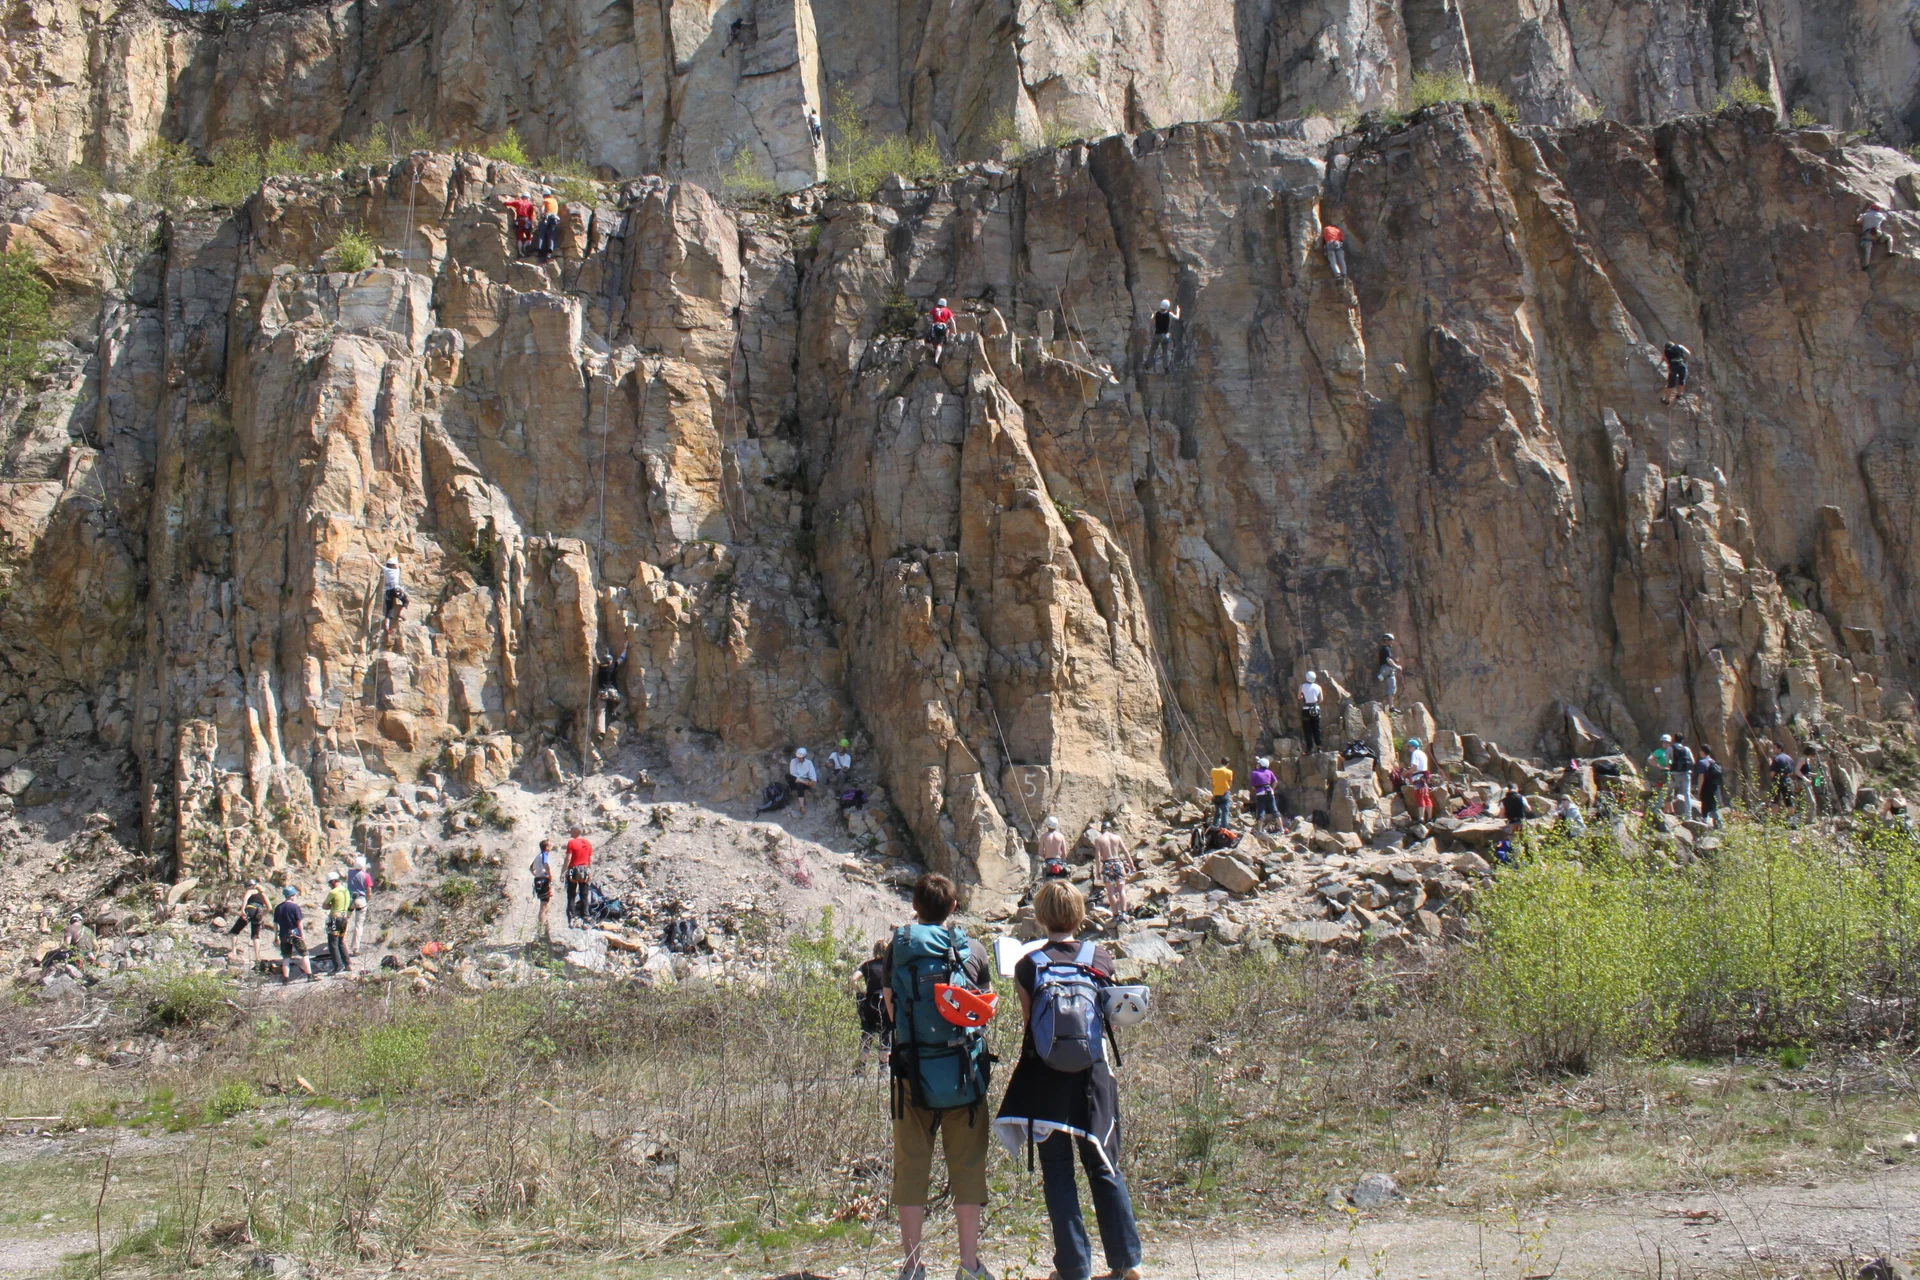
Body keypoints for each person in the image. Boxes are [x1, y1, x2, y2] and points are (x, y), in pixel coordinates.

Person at [993, 880, 1142, 1280]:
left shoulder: (1028, 965)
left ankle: (1073, 1268)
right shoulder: (1102, 959)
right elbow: (1112, 1018)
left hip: (1046, 1080)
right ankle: (1126, 1264)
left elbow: (1030, 1027)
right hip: (1094, 1078)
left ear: (1041, 917)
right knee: (1105, 1165)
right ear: (1079, 914)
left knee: (1057, 1172)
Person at [884, 874, 996, 1280]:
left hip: (912, 1073)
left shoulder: (900, 948)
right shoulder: (973, 949)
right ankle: (968, 1265)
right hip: (964, 1076)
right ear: (953, 908)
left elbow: (892, 1009)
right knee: (967, 1168)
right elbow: (982, 1013)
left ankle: (913, 1267)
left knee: (911, 1166)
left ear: (915, 906)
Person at [853, 939, 891, 1077]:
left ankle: (860, 1069)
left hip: (870, 1004)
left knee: (867, 1034)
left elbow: (853, 979)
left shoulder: (867, 965)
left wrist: (859, 992)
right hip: (886, 1004)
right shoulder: (891, 966)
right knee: (885, 1035)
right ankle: (883, 1069)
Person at [1091, 821, 1134, 921]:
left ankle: (1115, 916)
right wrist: (1131, 864)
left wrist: (1097, 871)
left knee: (1111, 892)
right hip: (1118, 863)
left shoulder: (1098, 839)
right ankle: (1124, 913)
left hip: (1107, 864)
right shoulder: (1117, 837)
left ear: (1102, 829)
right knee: (1121, 889)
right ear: (1110, 829)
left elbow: (1097, 856)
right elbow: (1125, 851)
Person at [274, 886, 315, 983]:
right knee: (304, 954)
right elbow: (299, 922)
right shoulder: (295, 907)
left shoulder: (278, 908)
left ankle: (286, 978)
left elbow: (275, 924)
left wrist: (276, 936)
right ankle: (309, 975)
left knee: (286, 957)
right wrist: (302, 934)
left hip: (283, 934)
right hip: (295, 934)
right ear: (292, 896)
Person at [228, 879, 271, 968]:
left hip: (250, 910)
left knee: (234, 931)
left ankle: (233, 951)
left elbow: (245, 898)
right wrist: (263, 915)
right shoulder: (263, 894)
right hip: (258, 912)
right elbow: (269, 908)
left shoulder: (250, 891)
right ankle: (257, 956)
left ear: (248, 886)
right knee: (255, 935)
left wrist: (243, 909)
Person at [322, 871, 352, 975]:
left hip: (334, 918)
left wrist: (332, 906)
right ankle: (347, 963)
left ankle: (337, 966)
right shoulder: (346, 891)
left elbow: (324, 905)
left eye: (330, 883)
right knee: (341, 941)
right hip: (344, 918)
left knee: (332, 943)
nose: (329, 886)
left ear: (333, 881)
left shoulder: (333, 892)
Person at [564, 826, 594, 925]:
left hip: (573, 870)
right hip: (585, 870)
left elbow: (568, 858)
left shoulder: (571, 842)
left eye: (571, 830)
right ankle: (586, 915)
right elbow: (590, 859)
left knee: (571, 894)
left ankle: (571, 917)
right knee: (584, 894)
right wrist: (590, 871)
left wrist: (564, 871)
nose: (570, 831)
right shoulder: (588, 843)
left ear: (576, 831)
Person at [594, 646, 626, 734]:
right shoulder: (611, 667)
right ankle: (616, 713)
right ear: (609, 662)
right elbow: (621, 658)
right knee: (624, 701)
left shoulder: (600, 668)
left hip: (601, 693)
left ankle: (601, 732)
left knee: (601, 713)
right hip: (610, 691)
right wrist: (625, 648)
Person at [345, 857, 373, 957]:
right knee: (358, 925)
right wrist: (368, 900)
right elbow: (369, 891)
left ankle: (341, 942)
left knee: (345, 920)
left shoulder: (350, 873)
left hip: (350, 900)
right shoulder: (366, 876)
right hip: (361, 900)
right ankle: (355, 948)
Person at [1247, 756, 1281, 833]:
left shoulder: (1254, 773)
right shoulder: (1270, 772)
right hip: (1269, 791)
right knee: (1275, 810)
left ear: (1260, 764)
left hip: (1260, 792)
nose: (1257, 764)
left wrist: (1257, 790)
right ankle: (1281, 828)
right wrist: (1272, 789)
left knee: (1261, 811)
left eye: (1258, 763)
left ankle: (1260, 830)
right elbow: (1275, 781)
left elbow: (1252, 786)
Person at [530, 838, 555, 935]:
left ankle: (544, 926)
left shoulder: (537, 856)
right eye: (550, 845)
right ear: (546, 847)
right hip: (544, 880)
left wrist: (536, 874)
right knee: (544, 905)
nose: (551, 847)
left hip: (538, 880)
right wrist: (549, 875)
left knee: (545, 903)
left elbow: (531, 868)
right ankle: (541, 929)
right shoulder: (545, 855)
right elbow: (546, 865)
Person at [1668, 733, 1696, 821]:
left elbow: (1668, 761)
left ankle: (1661, 807)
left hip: (1675, 774)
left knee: (1666, 790)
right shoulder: (1686, 749)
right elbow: (1693, 761)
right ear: (1682, 741)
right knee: (1687, 794)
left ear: (1673, 739)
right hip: (1686, 774)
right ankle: (1688, 816)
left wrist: (1671, 766)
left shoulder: (1670, 748)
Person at [498, 191, 536, 255]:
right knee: (529, 238)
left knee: (519, 237)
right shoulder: (530, 205)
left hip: (519, 221)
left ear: (522, 197)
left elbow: (506, 203)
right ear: (528, 198)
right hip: (527, 222)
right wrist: (531, 224)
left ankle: (520, 252)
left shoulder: (518, 202)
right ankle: (524, 247)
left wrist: (508, 198)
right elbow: (531, 217)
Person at [1859, 202, 1895, 270]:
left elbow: (1858, 222)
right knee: (1889, 237)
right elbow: (1885, 219)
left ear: (1870, 208)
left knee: (1868, 247)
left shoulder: (1866, 215)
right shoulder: (1880, 215)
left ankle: (1866, 265)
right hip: (1878, 234)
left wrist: (1860, 216)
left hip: (1868, 234)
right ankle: (1889, 251)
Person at [380, 555, 406, 643]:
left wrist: (372, 556)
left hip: (388, 591)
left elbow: (377, 564)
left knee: (389, 610)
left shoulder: (386, 569)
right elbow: (397, 565)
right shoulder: (397, 570)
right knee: (406, 601)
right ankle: (401, 613)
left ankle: (387, 626)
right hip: (396, 589)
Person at [1696, 747, 1724, 829]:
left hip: (1705, 788)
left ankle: (1713, 824)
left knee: (1707, 807)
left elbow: (1701, 777)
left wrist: (1699, 789)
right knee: (1712, 806)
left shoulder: (1702, 762)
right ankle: (1716, 825)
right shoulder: (1713, 762)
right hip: (1714, 787)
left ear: (1702, 752)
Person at [1149, 298, 1179, 371]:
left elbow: (1151, 320)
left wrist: (1153, 315)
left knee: (1152, 350)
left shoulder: (1157, 313)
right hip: (1165, 336)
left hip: (1157, 335)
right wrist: (1178, 311)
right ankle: (1166, 368)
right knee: (1165, 352)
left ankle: (1147, 365)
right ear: (1167, 307)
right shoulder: (1169, 314)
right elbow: (1177, 318)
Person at [1298, 670, 1324, 751]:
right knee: (1317, 728)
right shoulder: (1318, 687)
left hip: (1306, 709)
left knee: (1307, 729)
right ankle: (1319, 747)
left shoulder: (1302, 686)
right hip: (1316, 709)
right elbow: (1321, 699)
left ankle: (1309, 748)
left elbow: (1299, 697)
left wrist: (1303, 696)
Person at [788, 746, 818, 815]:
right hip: (796, 780)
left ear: (804, 757)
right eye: (798, 757)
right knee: (788, 776)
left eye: (800, 758)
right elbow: (793, 773)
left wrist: (813, 781)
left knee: (800, 784)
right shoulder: (793, 761)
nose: (799, 759)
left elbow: (812, 774)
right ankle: (802, 781)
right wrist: (801, 780)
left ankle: (802, 806)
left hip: (805, 782)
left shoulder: (809, 763)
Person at [1375, 633, 1402, 709]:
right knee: (1392, 688)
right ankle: (1391, 707)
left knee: (1391, 688)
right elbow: (1388, 660)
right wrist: (1397, 666)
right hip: (1388, 669)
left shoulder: (1384, 649)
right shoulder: (1386, 649)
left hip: (1384, 669)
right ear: (1386, 641)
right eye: (1391, 641)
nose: (1392, 642)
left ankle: (1390, 706)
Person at [534, 187, 561, 260]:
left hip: (547, 217)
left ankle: (539, 250)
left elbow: (542, 209)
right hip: (555, 218)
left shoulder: (545, 200)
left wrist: (542, 215)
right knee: (551, 235)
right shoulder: (555, 201)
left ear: (544, 195)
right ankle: (550, 251)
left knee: (541, 233)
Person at [1661, 340, 1691, 405]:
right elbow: (1688, 353)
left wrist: (1668, 362)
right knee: (1682, 380)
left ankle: (1666, 400)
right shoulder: (1679, 346)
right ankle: (1679, 394)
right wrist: (1685, 361)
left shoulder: (1666, 351)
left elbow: (1666, 360)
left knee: (1671, 383)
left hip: (1674, 366)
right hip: (1682, 364)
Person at [1647, 735, 1673, 808]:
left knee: (1670, 791)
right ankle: (1659, 806)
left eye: (1667, 742)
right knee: (1663, 789)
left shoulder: (1671, 751)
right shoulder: (1659, 751)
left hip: (1672, 773)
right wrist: (1658, 766)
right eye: (1664, 742)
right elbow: (1650, 759)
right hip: (1664, 773)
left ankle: (1668, 810)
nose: (1666, 744)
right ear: (1662, 742)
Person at [927, 298, 954, 363]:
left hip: (935, 326)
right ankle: (936, 359)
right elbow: (952, 321)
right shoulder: (947, 310)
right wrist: (954, 331)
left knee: (927, 342)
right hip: (943, 327)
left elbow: (929, 316)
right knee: (939, 345)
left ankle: (933, 350)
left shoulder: (934, 309)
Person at [1209, 757, 1234, 828]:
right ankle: (1223, 828)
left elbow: (1211, 783)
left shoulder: (1213, 770)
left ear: (1221, 762)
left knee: (1217, 812)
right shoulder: (1229, 772)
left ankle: (1215, 826)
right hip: (1224, 793)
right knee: (1225, 812)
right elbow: (1230, 784)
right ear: (1228, 764)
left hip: (1216, 793)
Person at [1769, 742, 1795, 807]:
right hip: (1788, 780)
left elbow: (1772, 773)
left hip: (1778, 781)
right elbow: (1792, 772)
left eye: (1774, 748)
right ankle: (1790, 816)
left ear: (1779, 749)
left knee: (1775, 801)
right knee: (1789, 802)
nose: (1773, 750)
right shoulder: (1789, 758)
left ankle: (1774, 816)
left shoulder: (1776, 759)